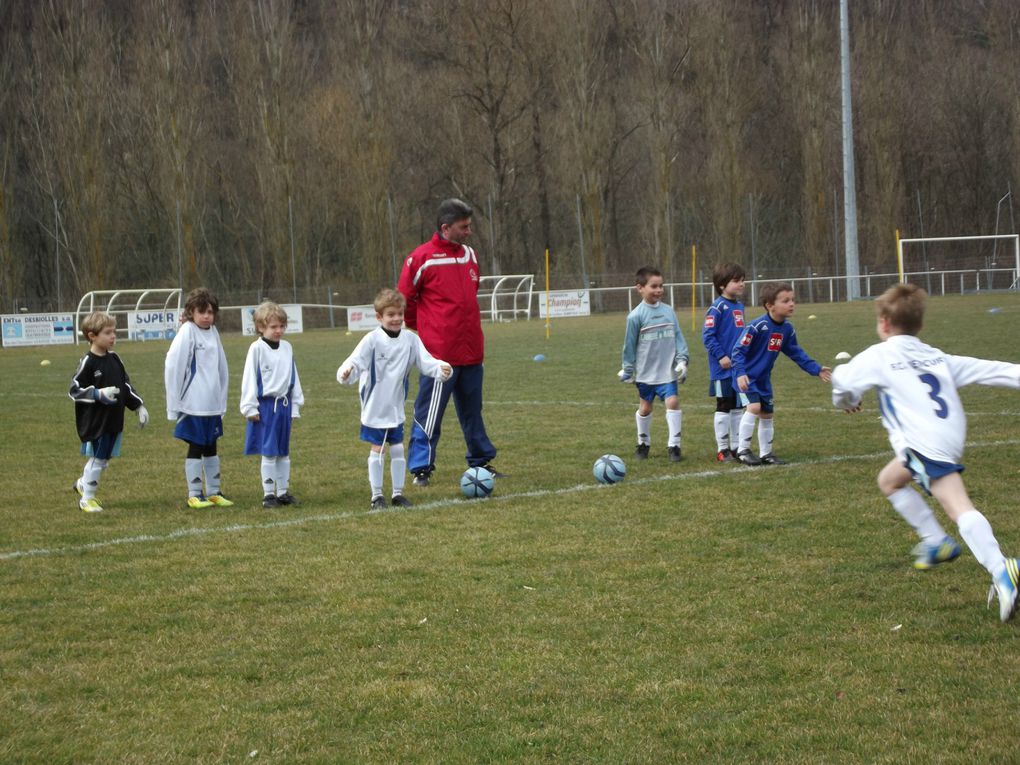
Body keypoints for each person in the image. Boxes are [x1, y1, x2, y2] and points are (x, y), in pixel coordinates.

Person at [831, 283, 1020, 622]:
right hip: (947, 437)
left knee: (958, 505)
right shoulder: (937, 356)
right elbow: (993, 370)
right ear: (919, 324)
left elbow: (843, 383)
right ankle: (936, 541)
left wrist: (848, 400)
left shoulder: (880, 355)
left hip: (925, 443)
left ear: (884, 324)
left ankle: (1001, 568)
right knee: (890, 480)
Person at [397, 198, 499, 486]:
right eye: (463, 227)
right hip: (439, 354)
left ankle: (480, 461)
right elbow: (404, 299)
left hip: (472, 351)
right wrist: (424, 328)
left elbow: (470, 293)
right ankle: (421, 468)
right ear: (445, 228)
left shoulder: (470, 255)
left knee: (472, 411)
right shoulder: (420, 259)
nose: (469, 231)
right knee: (429, 413)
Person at [338, 288, 452, 510]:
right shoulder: (371, 340)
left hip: (396, 405)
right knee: (378, 448)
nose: (396, 319)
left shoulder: (410, 339)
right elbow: (354, 362)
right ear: (379, 317)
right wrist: (346, 372)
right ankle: (377, 496)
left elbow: (426, 362)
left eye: (400, 314)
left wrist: (441, 368)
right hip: (375, 406)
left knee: (398, 448)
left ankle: (398, 494)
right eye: (391, 315)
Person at [730, 281, 831, 465]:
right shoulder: (756, 327)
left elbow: (796, 353)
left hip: (763, 379)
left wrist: (816, 369)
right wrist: (740, 373)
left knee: (767, 414)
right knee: (754, 408)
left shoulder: (787, 329)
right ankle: (742, 450)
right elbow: (738, 351)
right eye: (785, 301)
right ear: (770, 305)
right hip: (746, 378)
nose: (791, 304)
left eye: (792, 300)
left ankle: (766, 454)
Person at [68, 312, 148, 512]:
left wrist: (138, 406)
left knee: (104, 459)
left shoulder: (115, 359)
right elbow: (74, 390)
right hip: (97, 421)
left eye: (114, 332)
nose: (113, 336)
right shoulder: (88, 362)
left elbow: (125, 386)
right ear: (92, 336)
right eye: (107, 332)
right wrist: (97, 394)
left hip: (114, 420)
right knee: (99, 458)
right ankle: (87, 498)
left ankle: (82, 484)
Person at [164, 287, 233, 509]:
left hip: (211, 405)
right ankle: (194, 493)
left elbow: (222, 368)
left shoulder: (213, 332)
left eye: (211, 312)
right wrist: (174, 403)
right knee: (195, 447)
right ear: (191, 312)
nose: (207, 316)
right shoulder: (187, 332)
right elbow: (174, 365)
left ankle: (214, 491)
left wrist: (221, 400)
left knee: (212, 447)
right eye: (202, 312)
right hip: (193, 404)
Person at [618, 266, 689, 462]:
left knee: (673, 402)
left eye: (661, 286)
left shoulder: (668, 312)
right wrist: (629, 369)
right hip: (646, 374)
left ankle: (674, 446)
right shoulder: (635, 317)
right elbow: (629, 345)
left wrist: (683, 360)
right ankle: (643, 443)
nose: (659, 290)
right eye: (654, 286)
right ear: (639, 288)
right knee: (646, 408)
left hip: (667, 372)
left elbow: (678, 337)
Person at [240, 302, 304, 509]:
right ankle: (268, 495)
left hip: (283, 406)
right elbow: (249, 377)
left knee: (283, 451)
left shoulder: (287, 347)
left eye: (281, 326)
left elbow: (293, 376)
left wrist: (295, 405)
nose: (278, 331)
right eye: (273, 327)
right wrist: (250, 407)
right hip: (266, 407)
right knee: (269, 451)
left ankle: (283, 491)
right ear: (260, 327)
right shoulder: (256, 349)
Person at [702, 262, 747, 462]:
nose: (742, 284)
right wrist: (721, 356)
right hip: (723, 369)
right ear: (722, 285)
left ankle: (737, 448)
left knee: (738, 407)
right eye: (736, 281)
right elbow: (708, 336)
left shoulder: (739, 306)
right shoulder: (717, 308)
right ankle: (722, 449)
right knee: (724, 405)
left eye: (742, 280)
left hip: (738, 367)